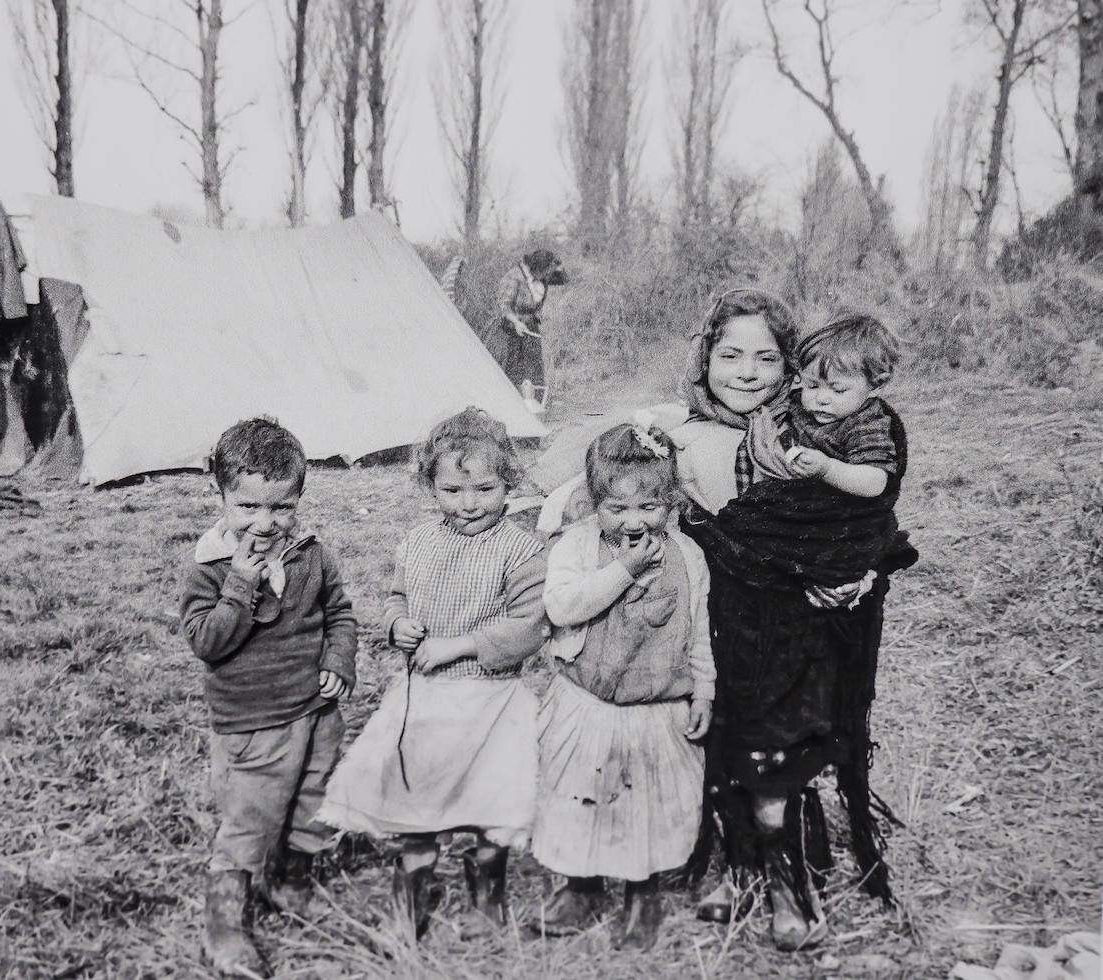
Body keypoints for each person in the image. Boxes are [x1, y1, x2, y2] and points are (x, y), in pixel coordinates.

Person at [537, 288, 916, 952]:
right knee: (681, 749)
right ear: (705, 356)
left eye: (766, 358)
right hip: (696, 621)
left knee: (770, 752)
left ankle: (774, 875)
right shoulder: (672, 435)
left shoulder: (810, 433)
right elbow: (594, 497)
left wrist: (858, 573)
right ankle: (699, 861)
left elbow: (865, 522)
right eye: (730, 354)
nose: (746, 372)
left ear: (793, 367)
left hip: (789, 627)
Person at [318, 407, 548, 941]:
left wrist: (458, 645)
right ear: (431, 486)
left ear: (508, 483)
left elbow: (529, 628)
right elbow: (397, 598)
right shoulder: (419, 540)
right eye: (451, 491)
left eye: (485, 489)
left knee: (489, 803)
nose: (469, 504)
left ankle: (487, 898)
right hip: (425, 704)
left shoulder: (521, 550)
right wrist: (397, 622)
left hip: (489, 701)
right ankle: (411, 897)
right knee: (414, 799)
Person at [179, 417, 359, 979]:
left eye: (281, 507)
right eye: (248, 508)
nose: (265, 523)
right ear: (223, 499)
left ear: (298, 499)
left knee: (314, 798)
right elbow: (208, 642)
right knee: (251, 815)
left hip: (315, 710)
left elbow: (340, 613)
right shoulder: (208, 566)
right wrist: (239, 584)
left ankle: (290, 879)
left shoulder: (313, 553)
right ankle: (225, 922)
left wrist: (338, 659)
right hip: (252, 721)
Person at [532, 422, 714, 950]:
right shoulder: (576, 545)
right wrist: (624, 571)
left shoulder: (689, 556)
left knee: (647, 803)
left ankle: (642, 892)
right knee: (580, 796)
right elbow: (563, 607)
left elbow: (699, 627)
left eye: (649, 508)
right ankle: (581, 885)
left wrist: (704, 689)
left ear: (670, 501)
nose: (634, 522)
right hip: (589, 701)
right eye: (617, 509)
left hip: (656, 705)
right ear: (594, 502)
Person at [758, 313, 902, 499]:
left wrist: (828, 469)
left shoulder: (865, 424)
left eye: (838, 390)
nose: (821, 398)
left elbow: (875, 483)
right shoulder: (798, 402)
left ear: (875, 386)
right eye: (812, 385)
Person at [476, 249, 568, 409]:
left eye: (549, 272)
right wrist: (516, 322)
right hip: (510, 329)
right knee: (512, 370)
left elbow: (563, 279)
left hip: (530, 327)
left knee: (533, 368)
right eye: (545, 272)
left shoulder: (543, 276)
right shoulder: (514, 276)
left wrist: (558, 264)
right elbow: (504, 307)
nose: (547, 276)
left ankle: (535, 409)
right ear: (536, 268)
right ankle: (509, 410)